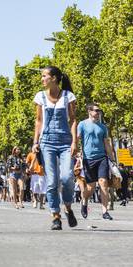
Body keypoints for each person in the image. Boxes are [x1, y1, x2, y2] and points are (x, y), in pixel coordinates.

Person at [32, 66, 78, 230]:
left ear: (54, 78)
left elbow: (73, 120)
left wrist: (74, 142)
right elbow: (38, 121)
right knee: (51, 182)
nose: (42, 79)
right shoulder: (40, 97)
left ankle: (68, 207)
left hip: (65, 141)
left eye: (44, 76)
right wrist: (35, 142)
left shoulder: (68, 96)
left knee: (67, 178)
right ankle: (56, 216)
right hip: (47, 142)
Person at [77, 103, 115, 220]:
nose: (98, 113)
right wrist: (77, 156)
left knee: (103, 183)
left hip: (102, 158)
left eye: (99, 111)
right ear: (89, 111)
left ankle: (105, 211)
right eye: (96, 110)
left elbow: (106, 144)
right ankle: (84, 201)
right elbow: (76, 139)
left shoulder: (103, 127)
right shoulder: (82, 124)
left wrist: (112, 159)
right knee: (90, 187)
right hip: (88, 159)